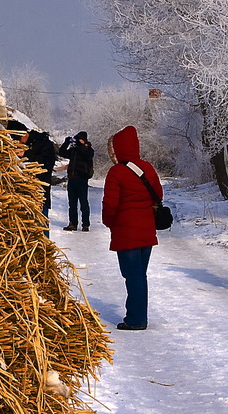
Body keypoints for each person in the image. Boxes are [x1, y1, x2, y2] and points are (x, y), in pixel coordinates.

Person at [102, 125, 163, 331]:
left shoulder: (116, 172)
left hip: (126, 233)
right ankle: (137, 315)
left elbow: (110, 205)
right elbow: (159, 196)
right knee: (139, 275)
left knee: (132, 275)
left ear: (118, 149)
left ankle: (136, 319)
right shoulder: (148, 168)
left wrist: (109, 222)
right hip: (146, 231)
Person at [6, 119, 58, 223]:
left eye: (18, 140)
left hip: (40, 193)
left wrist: (26, 154)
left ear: (23, 134)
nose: (18, 143)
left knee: (40, 226)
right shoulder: (23, 144)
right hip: (22, 196)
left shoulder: (43, 142)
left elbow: (47, 165)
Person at [59, 131, 95, 232]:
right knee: (72, 203)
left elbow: (87, 155)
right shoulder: (73, 150)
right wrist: (66, 143)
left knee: (84, 203)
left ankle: (85, 224)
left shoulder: (89, 149)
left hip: (82, 180)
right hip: (72, 179)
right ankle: (73, 223)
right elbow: (62, 152)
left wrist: (83, 145)